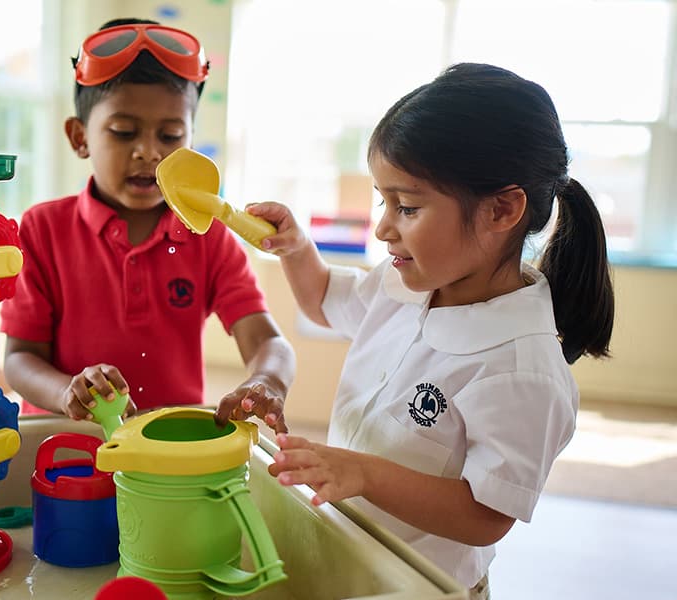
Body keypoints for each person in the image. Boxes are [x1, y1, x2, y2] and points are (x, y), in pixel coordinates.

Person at [252, 63, 615, 597]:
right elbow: (326, 300)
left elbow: (486, 516)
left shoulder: (521, 368)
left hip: (419, 583)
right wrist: (297, 248)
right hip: (351, 551)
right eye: (383, 200)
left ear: (502, 209)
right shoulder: (404, 284)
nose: (382, 226)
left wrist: (364, 473)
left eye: (408, 206)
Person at [0, 18, 294, 433]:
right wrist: (70, 391)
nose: (149, 152)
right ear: (79, 136)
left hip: (168, 454)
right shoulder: (41, 229)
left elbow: (267, 341)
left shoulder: (209, 237)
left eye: (171, 136)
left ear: (190, 140)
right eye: (123, 132)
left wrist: (267, 380)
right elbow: (19, 360)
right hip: (64, 448)